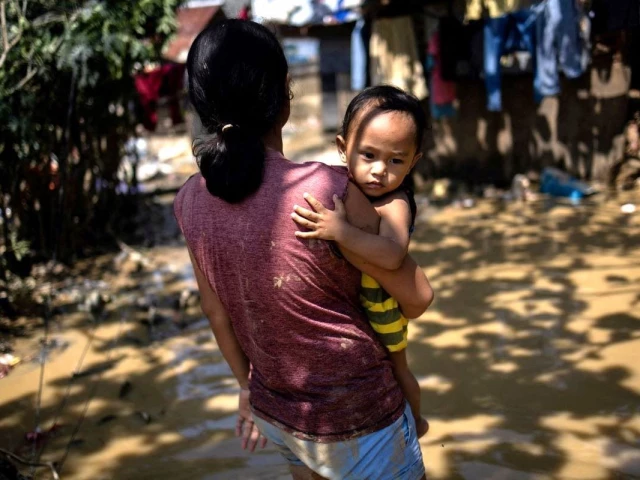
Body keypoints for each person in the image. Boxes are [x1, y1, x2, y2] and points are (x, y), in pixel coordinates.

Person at [174, 19, 433, 479]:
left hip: (278, 414)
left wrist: (245, 389)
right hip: (358, 417)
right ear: (285, 96)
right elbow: (415, 298)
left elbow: (216, 314)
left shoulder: (189, 201)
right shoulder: (323, 190)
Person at [291, 85, 429, 438]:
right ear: (342, 149)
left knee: (399, 369)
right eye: (368, 155)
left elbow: (393, 253)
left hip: (384, 308)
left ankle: (416, 419)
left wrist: (340, 231)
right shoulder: (343, 186)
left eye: (395, 160)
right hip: (358, 304)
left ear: (413, 161)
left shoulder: (395, 203)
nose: (379, 170)